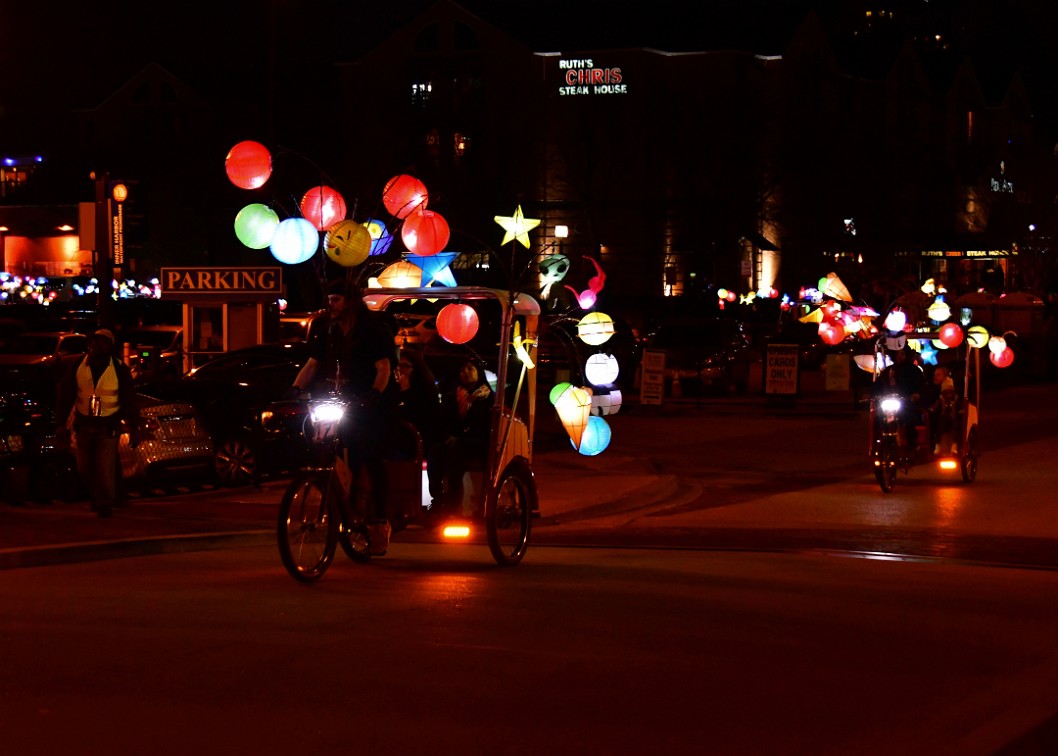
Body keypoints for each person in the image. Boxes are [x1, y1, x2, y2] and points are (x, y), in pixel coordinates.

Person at [290, 277, 397, 553]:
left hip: (368, 404)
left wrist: (373, 394)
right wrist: (295, 388)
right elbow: (312, 364)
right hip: (338, 402)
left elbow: (383, 368)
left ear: (350, 302)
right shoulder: (327, 330)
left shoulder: (372, 329)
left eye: (336, 300)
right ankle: (341, 506)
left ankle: (379, 520)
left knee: (369, 456)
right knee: (324, 448)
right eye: (329, 300)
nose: (331, 306)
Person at [55, 328, 143, 518]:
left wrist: (134, 426)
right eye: (94, 341)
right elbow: (66, 395)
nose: (96, 346)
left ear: (110, 347)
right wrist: (61, 424)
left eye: (102, 342)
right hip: (84, 425)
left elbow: (129, 398)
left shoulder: (119, 368)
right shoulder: (78, 365)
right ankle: (98, 496)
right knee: (84, 467)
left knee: (105, 466)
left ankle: (103, 503)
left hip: (108, 426)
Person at [426, 358, 494, 517]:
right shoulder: (453, 395)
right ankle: (437, 499)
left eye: (470, 369)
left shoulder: (487, 397)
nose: (466, 372)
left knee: (456, 451)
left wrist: (460, 438)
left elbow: (485, 425)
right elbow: (443, 420)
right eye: (462, 370)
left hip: (478, 442)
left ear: (478, 373)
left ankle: (453, 504)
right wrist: (448, 436)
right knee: (435, 452)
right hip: (454, 441)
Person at [871, 345, 925, 450]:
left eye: (902, 354)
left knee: (910, 419)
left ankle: (911, 444)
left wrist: (916, 394)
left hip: (907, 404)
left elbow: (921, 386)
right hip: (889, 404)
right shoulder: (888, 370)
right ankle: (879, 443)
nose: (899, 356)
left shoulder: (914, 370)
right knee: (878, 418)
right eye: (897, 353)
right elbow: (879, 385)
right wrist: (871, 393)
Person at [392, 348, 443, 457]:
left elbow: (418, 415)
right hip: (404, 437)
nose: (400, 369)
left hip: (421, 440)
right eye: (399, 366)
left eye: (405, 366)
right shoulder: (397, 387)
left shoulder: (425, 389)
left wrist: (406, 391)